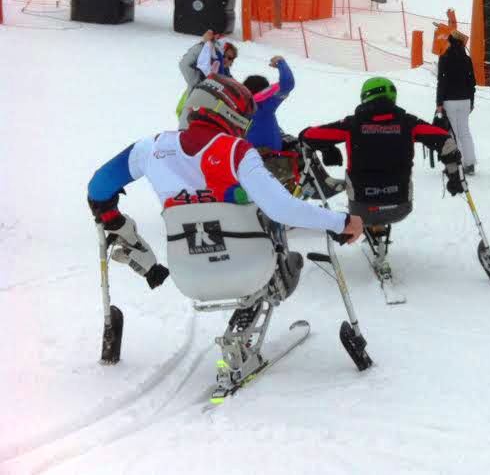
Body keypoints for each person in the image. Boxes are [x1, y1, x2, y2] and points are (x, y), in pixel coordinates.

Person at [87, 75, 363, 384]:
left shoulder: (149, 150)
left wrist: (112, 218)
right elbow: (283, 207)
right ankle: (270, 290)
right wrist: (341, 222)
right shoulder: (238, 152)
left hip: (188, 274)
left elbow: (98, 187)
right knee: (270, 231)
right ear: (230, 112)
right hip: (251, 268)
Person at [299, 77, 463, 279]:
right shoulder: (409, 123)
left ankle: (371, 225)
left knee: (359, 182)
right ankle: (379, 226)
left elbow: (308, 136)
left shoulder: (351, 125)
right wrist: (453, 173)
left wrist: (327, 146)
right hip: (400, 205)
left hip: (361, 207)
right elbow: (445, 140)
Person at [436, 30, 477, 175]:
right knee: (465, 132)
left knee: (452, 133)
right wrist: (471, 101)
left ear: (450, 41)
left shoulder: (444, 58)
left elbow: (442, 82)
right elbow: (472, 82)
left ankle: (455, 164)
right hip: (465, 100)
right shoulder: (467, 59)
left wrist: (439, 103)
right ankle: (470, 163)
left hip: (449, 101)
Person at [177, 31, 237, 127]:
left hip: (213, 130)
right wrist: (203, 44)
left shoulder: (232, 84)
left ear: (232, 62)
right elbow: (184, 64)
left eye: (229, 58)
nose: (225, 59)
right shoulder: (199, 77)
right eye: (223, 55)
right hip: (189, 126)